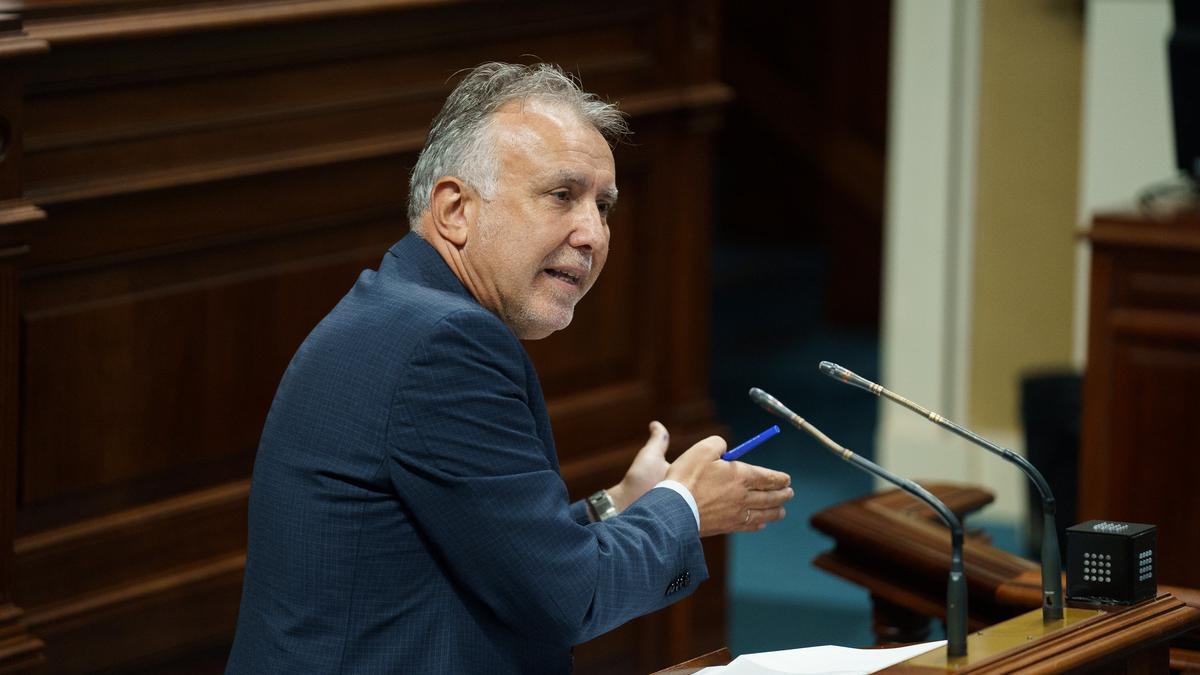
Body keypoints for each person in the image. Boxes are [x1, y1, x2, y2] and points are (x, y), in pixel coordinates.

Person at [226, 62, 793, 674]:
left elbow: (491, 548)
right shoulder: (444, 343)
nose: (594, 234)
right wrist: (685, 505)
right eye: (561, 196)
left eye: (603, 207)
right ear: (455, 209)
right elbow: (568, 597)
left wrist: (618, 505)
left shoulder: (397, 312)